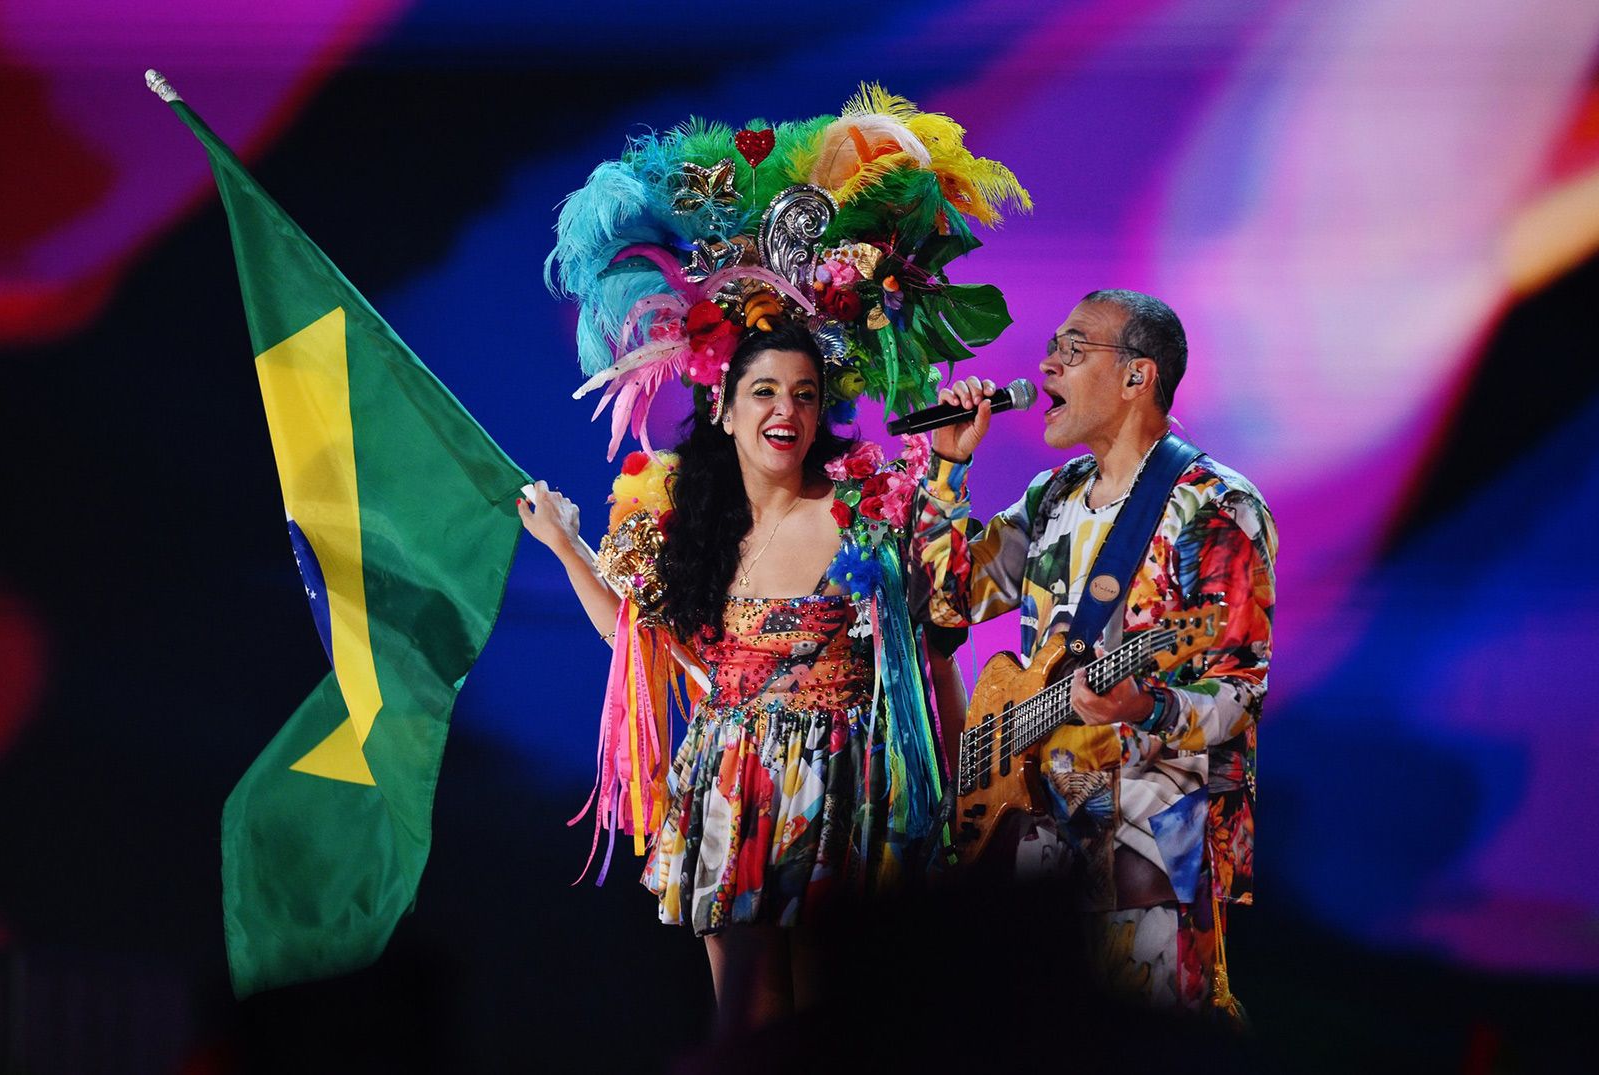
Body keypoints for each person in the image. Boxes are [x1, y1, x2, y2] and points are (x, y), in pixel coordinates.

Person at [520, 322, 944, 1033]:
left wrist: (953, 469)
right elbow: (636, 643)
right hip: (731, 783)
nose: (786, 410)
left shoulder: (865, 513)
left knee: (834, 1030)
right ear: (724, 407)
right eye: (765, 391)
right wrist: (565, 546)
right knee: (751, 1031)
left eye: (805, 395)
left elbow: (933, 634)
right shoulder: (690, 526)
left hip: (840, 784)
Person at [913, 289, 1277, 1016]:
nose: (1046, 365)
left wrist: (1147, 705)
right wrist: (948, 467)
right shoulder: (1052, 495)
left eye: (1073, 349)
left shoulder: (1214, 506)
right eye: (1051, 347)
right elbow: (946, 602)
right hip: (1037, 844)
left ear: (1138, 375)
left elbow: (1239, 691)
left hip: (1151, 847)